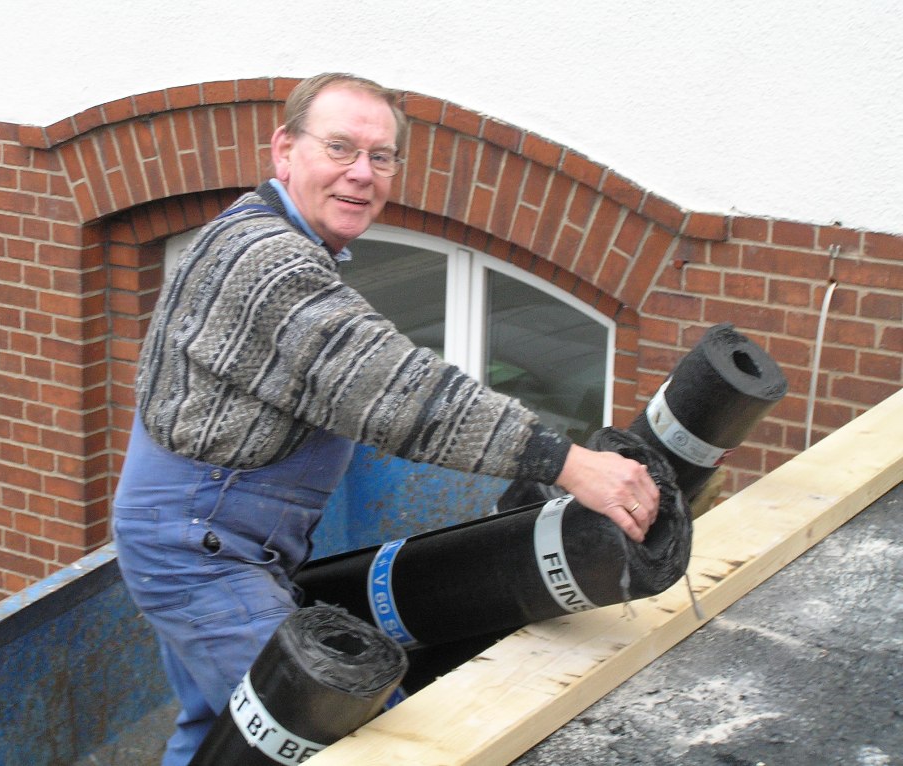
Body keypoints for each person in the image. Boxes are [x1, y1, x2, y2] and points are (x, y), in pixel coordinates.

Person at [112, 72, 660, 765]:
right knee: (362, 739)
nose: (361, 173)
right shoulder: (269, 263)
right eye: (340, 148)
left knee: (217, 734)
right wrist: (571, 464)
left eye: (381, 156)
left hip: (212, 538)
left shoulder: (265, 236)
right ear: (284, 150)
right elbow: (398, 390)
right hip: (201, 552)